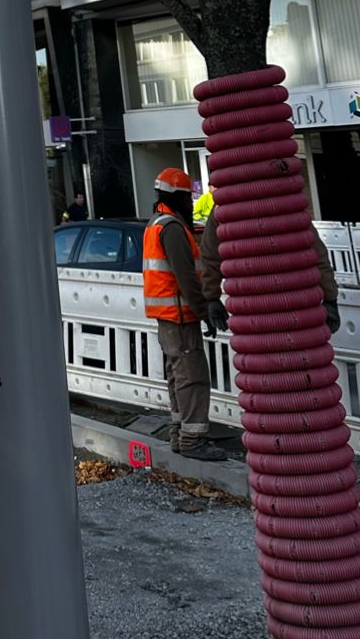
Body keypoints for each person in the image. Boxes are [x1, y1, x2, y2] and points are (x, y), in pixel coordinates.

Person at [143, 167, 227, 462]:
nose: (191, 203)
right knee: (192, 376)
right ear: (177, 196)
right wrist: (205, 311)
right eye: (187, 198)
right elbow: (187, 279)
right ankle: (193, 440)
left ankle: (180, 434)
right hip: (179, 315)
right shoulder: (173, 228)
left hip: (167, 316)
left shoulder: (157, 223)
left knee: (177, 375)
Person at [200, 205, 340, 335]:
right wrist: (330, 297)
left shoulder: (226, 205)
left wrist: (211, 297)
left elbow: (210, 256)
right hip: (295, 300)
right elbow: (317, 253)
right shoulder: (286, 200)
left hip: (253, 307)